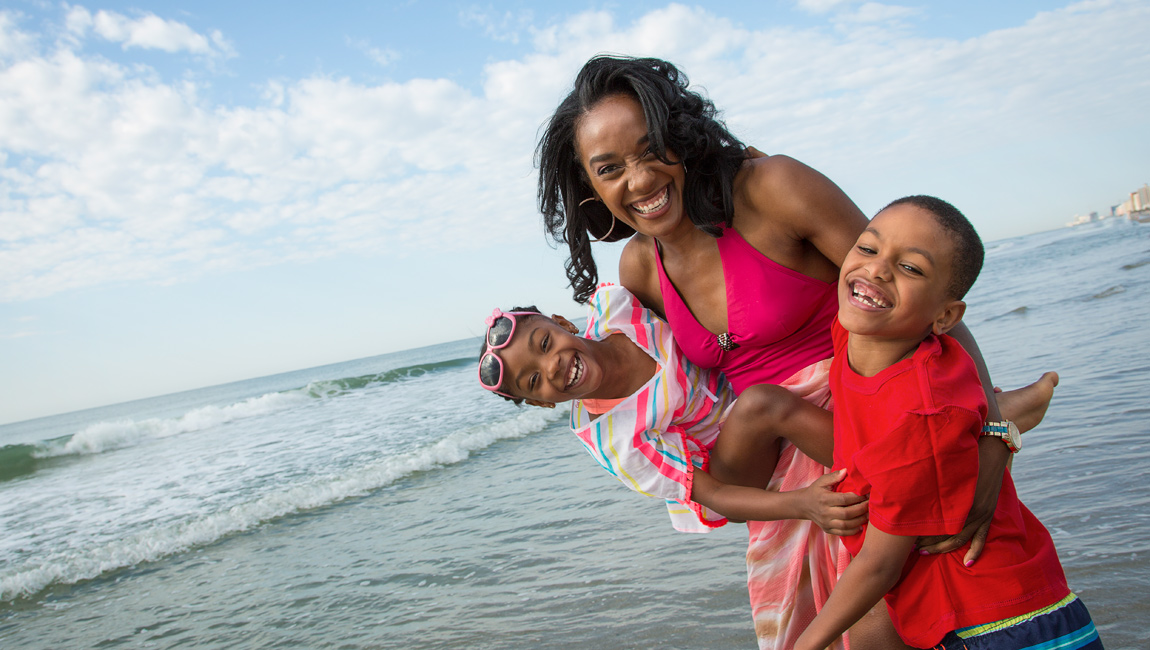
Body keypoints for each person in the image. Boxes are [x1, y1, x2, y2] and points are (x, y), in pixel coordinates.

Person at [535, 54, 1059, 649]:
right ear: (590, 188)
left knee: (918, 615)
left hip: (889, 427)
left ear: (681, 135)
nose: (639, 179)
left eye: (652, 147)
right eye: (609, 169)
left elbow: (924, 305)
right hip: (799, 473)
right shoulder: (639, 270)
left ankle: (1010, 407)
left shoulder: (771, 189)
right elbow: (633, 377)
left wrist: (990, 436)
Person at [794, 196, 1100, 650]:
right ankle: (1005, 413)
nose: (877, 271)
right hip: (1007, 601)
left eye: (911, 269)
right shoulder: (858, 332)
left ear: (946, 316)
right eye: (867, 248)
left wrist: (804, 644)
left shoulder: (921, 417)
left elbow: (880, 565)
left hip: (996, 626)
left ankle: (1007, 414)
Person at [477, 282, 870, 539]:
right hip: (733, 468)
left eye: (545, 343)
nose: (552, 367)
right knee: (762, 405)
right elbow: (716, 495)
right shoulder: (617, 439)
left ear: (562, 322)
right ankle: (883, 474)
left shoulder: (618, 308)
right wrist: (803, 504)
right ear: (543, 403)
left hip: (740, 384)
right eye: (533, 382)